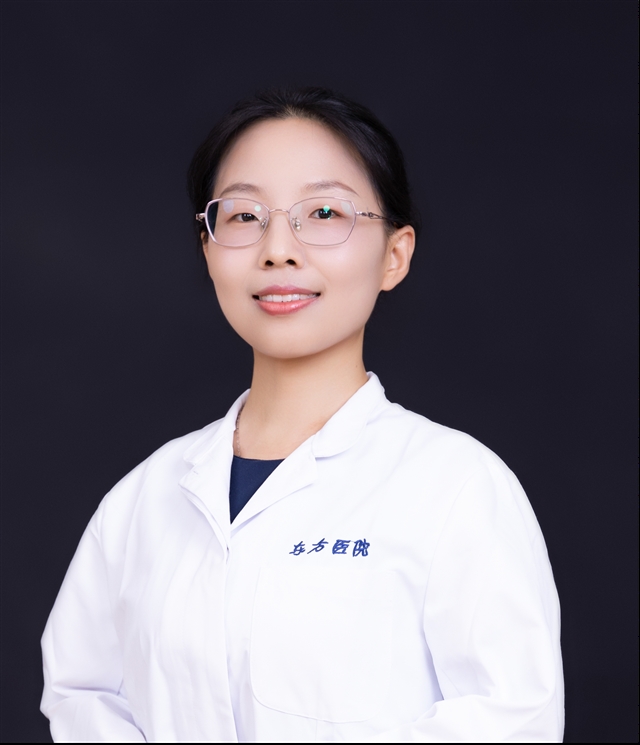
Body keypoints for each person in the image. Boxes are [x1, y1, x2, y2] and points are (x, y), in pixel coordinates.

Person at [40, 87, 564, 743]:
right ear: (207, 249)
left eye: (323, 212)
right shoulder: (142, 501)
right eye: (243, 215)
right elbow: (81, 693)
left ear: (395, 255)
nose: (278, 249)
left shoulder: (457, 487)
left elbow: (512, 719)